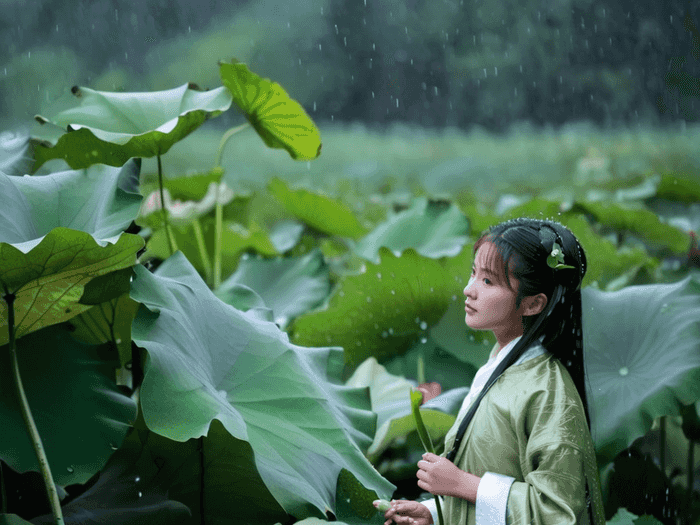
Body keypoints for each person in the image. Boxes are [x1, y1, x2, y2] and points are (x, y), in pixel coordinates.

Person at [373, 218, 605, 525]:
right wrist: (432, 513)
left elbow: (560, 515)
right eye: (473, 273)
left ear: (534, 304)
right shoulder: (499, 368)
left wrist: (461, 484)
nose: (469, 290)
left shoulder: (548, 391)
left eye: (488, 282)